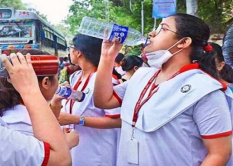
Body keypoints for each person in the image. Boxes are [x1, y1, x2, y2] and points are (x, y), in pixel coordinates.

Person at [94, 13, 232, 165]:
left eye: (162, 29)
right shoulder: (142, 76)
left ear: (183, 42)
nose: (151, 34)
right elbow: (103, 101)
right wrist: (106, 57)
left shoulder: (204, 89)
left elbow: (219, 153)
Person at [0, 49, 79, 149]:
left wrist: (56, 102)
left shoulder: (10, 112)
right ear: (46, 82)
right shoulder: (23, 124)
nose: (58, 83)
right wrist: (66, 145)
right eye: (57, 77)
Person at [54, 34, 121, 166]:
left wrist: (75, 119)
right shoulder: (75, 77)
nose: (69, 51)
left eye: (71, 48)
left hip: (98, 151)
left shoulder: (106, 80)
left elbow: (117, 121)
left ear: (79, 52)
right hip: (76, 149)